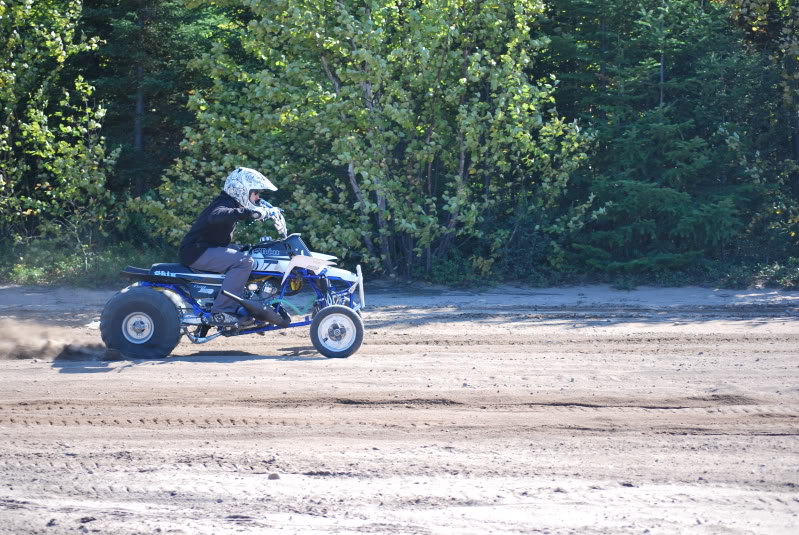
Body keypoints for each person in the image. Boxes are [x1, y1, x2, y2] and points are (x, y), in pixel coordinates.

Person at [179, 167, 279, 326]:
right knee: (244, 262)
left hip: (205, 248)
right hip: (196, 251)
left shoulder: (229, 203)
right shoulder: (223, 204)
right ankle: (222, 312)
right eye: (255, 193)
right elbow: (216, 216)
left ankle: (246, 307)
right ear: (242, 190)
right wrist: (250, 213)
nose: (258, 197)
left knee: (254, 253)